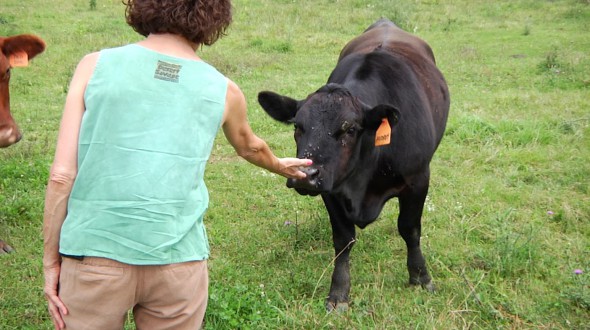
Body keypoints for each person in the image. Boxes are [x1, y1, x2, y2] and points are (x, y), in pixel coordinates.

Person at [42, 0, 311, 329]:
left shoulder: (94, 66)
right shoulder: (224, 90)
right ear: (214, 17)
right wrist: (279, 165)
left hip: (92, 259)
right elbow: (250, 146)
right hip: (179, 264)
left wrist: (51, 261)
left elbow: (61, 176)